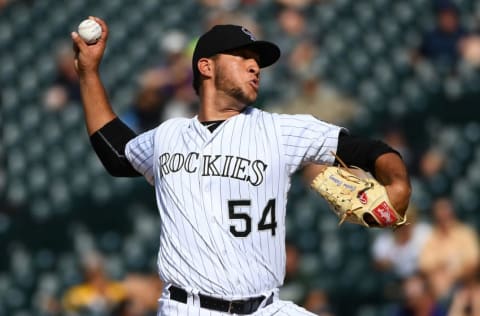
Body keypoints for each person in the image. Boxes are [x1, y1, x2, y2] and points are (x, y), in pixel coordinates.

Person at [71, 17, 411, 315]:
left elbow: (369, 150)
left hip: (267, 307)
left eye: (257, 60)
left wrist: (399, 185)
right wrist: (88, 72)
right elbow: (117, 154)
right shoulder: (168, 136)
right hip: (189, 308)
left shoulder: (279, 131)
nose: (255, 66)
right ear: (206, 67)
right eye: (243, 56)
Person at [418, 197, 480, 302]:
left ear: (452, 212)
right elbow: (424, 265)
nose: (442, 215)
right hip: (437, 285)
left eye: (445, 210)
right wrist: (446, 264)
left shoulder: (465, 233)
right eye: (439, 211)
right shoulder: (431, 236)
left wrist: (451, 273)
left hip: (463, 283)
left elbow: (473, 262)